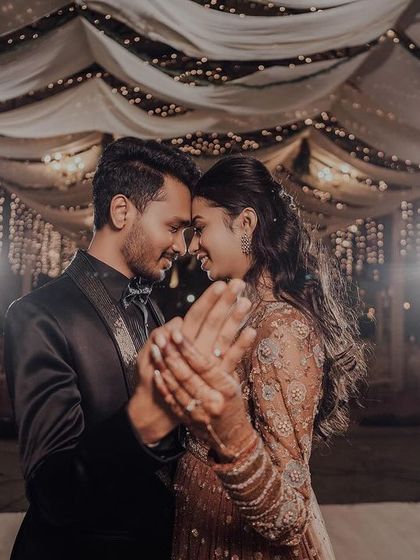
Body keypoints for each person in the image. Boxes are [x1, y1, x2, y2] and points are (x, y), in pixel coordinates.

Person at [3, 138, 255, 560]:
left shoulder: (152, 306)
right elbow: (53, 493)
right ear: (122, 211)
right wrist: (145, 420)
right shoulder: (37, 315)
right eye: (174, 227)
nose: (182, 246)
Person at [150, 155, 367, 559]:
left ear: (246, 223)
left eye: (200, 229)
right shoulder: (243, 313)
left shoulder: (281, 327)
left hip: (241, 541)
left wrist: (229, 437)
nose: (191, 245)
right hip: (202, 524)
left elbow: (289, 515)